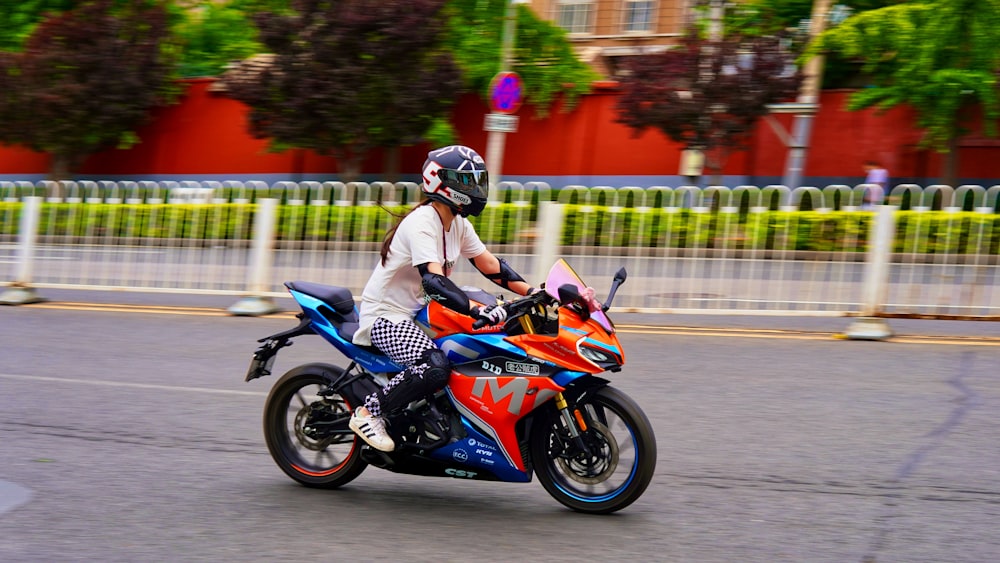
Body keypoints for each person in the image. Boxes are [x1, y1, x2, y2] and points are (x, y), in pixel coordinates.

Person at [348, 145, 535, 452]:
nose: (474, 189)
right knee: (434, 366)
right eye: (466, 182)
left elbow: (490, 265)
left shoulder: (458, 223)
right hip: (386, 315)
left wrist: (534, 292)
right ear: (441, 183)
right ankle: (369, 412)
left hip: (420, 313)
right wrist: (478, 310)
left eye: (476, 181)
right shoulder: (422, 221)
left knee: (487, 345)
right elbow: (433, 280)